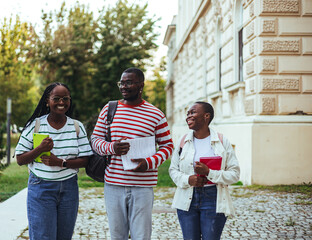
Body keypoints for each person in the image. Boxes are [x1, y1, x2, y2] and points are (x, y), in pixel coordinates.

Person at [90, 67, 174, 240]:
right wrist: (112, 148)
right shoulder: (109, 109)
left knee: (142, 236)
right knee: (117, 235)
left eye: (129, 82)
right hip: (113, 184)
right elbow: (95, 141)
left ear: (141, 85)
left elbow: (167, 146)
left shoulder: (155, 114)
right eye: (121, 82)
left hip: (142, 187)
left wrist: (149, 162)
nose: (123, 86)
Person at [15, 82, 93, 240]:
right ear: (47, 101)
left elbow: (85, 159)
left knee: (64, 237)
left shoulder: (77, 127)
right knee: (43, 236)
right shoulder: (35, 125)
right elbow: (20, 159)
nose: (61, 102)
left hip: (69, 188)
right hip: (41, 188)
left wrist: (60, 162)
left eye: (66, 98)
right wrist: (40, 149)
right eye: (56, 98)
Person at [169, 101, 240, 240]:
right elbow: (173, 170)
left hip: (213, 198)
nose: (188, 116)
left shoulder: (221, 141)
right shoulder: (183, 141)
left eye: (193, 112)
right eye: (188, 113)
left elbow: (235, 174)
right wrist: (188, 179)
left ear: (206, 116)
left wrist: (210, 173)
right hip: (186, 199)